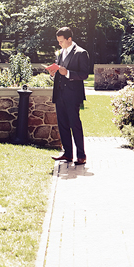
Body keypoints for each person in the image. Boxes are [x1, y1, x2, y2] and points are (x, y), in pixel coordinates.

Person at [48, 27, 92, 165]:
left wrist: (67, 73)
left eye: (61, 41)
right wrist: (53, 74)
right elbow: (59, 71)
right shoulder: (60, 53)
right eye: (58, 41)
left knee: (75, 124)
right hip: (60, 94)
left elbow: (84, 74)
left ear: (69, 39)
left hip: (73, 95)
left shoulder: (81, 53)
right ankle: (67, 154)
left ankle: (81, 155)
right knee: (62, 125)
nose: (59, 44)